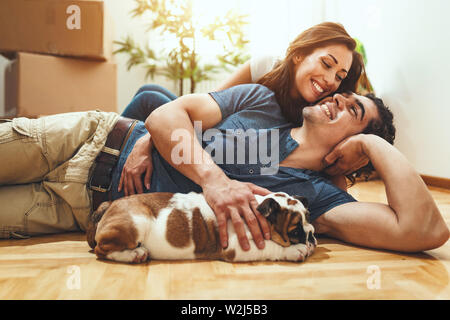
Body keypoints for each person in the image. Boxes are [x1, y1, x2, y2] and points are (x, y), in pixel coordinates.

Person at [0, 84, 447, 253]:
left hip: (81, 205)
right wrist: (215, 181)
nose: (337, 98)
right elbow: (162, 117)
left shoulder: (312, 197)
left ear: (358, 150)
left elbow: (424, 232)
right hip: (94, 137)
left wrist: (372, 143)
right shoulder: (263, 101)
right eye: (343, 94)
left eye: (353, 110)